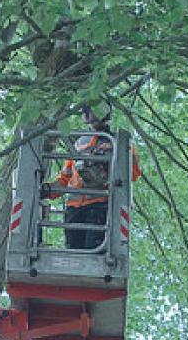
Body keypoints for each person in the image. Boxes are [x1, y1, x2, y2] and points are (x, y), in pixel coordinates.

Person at [48, 105, 140, 250]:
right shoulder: (79, 144)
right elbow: (65, 178)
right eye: (86, 111)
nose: (89, 114)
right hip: (74, 208)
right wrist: (48, 190)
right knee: (73, 252)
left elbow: (132, 175)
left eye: (91, 110)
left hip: (99, 206)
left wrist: (114, 156)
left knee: (93, 250)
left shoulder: (119, 143)